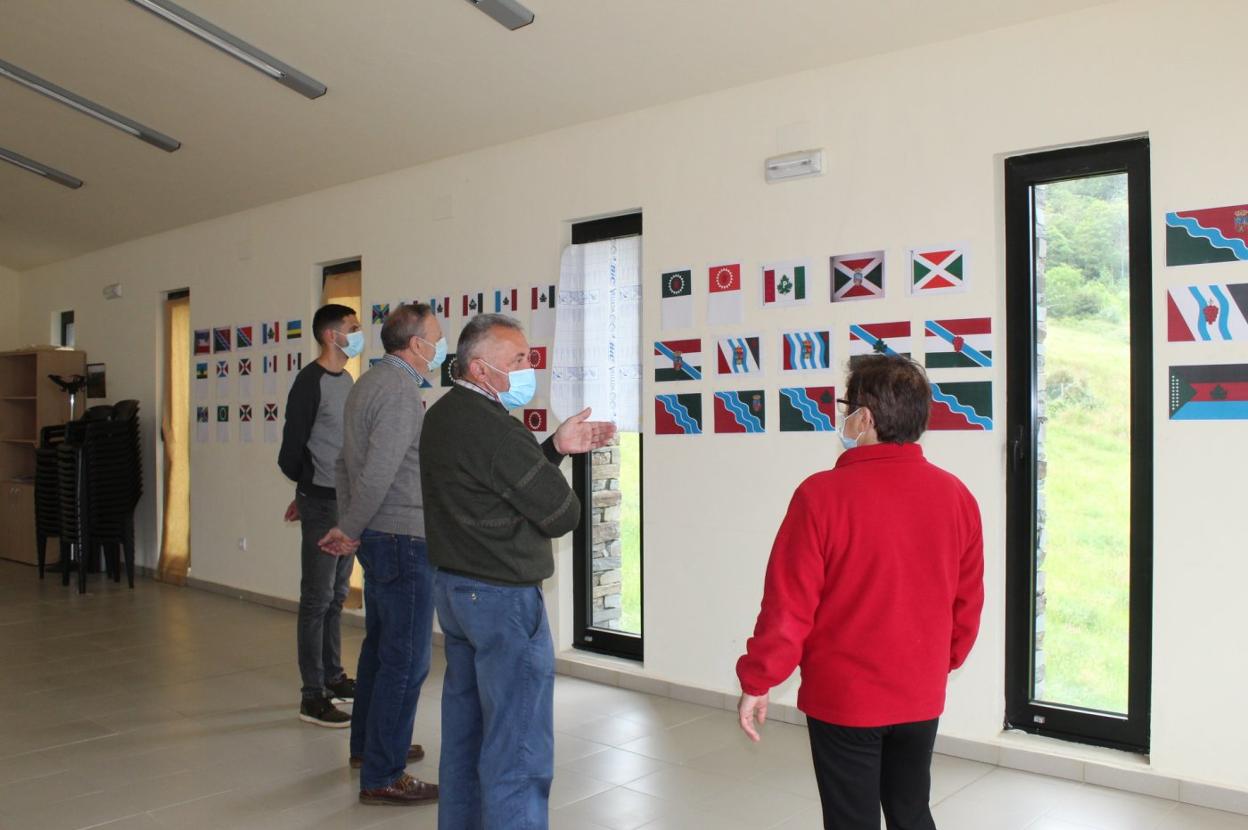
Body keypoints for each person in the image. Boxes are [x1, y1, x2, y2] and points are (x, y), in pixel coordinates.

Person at [736, 354, 984, 830]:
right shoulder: (957, 496)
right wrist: (938, 661)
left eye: (846, 406)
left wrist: (757, 679)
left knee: (851, 820)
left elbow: (788, 608)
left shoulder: (820, 496)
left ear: (865, 419)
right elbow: (967, 601)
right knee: (911, 812)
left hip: (845, 699)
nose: (843, 418)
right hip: (920, 692)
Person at [420, 314, 616, 830]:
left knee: (465, 736)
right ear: (481, 369)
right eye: (519, 361)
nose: (530, 369)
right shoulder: (496, 430)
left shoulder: (443, 415)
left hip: (456, 595)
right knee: (518, 747)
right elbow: (563, 514)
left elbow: (494, 491)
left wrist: (553, 448)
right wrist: (542, 459)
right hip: (503, 600)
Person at [318, 303, 445, 806]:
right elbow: (378, 472)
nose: (439, 344)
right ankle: (384, 774)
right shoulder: (397, 391)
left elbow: (344, 463)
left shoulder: (367, 382)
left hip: (380, 535)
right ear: (415, 344)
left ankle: (369, 748)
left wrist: (353, 527)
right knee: (406, 659)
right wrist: (351, 528)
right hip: (403, 536)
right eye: (435, 336)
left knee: (380, 648)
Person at [278, 303, 362, 728]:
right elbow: (291, 450)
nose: (358, 333)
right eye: (352, 328)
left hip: (344, 500)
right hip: (321, 500)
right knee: (315, 597)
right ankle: (312, 695)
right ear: (332, 335)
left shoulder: (346, 379)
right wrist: (307, 490)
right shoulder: (308, 382)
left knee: (336, 596)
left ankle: (333, 676)